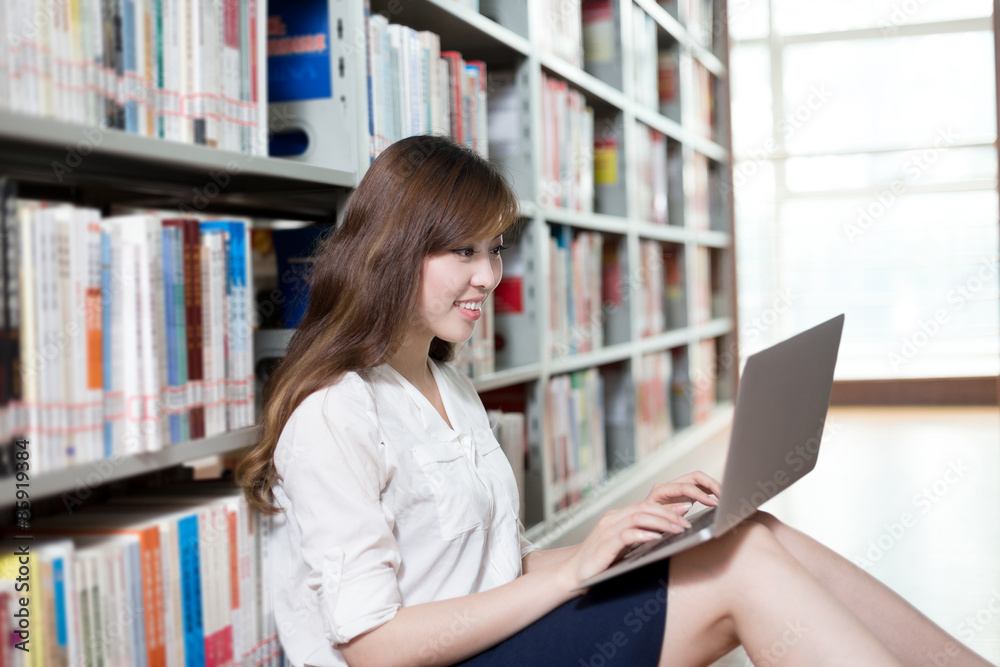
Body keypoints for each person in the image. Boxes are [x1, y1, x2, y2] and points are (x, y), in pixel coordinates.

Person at [237, 135, 990, 667]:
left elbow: (485, 573)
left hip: (489, 642)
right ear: (393, 252)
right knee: (741, 569)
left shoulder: (446, 383)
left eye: (493, 248)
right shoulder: (336, 410)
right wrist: (573, 574)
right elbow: (376, 646)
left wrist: (626, 537)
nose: (487, 275)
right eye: (460, 250)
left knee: (749, 532)